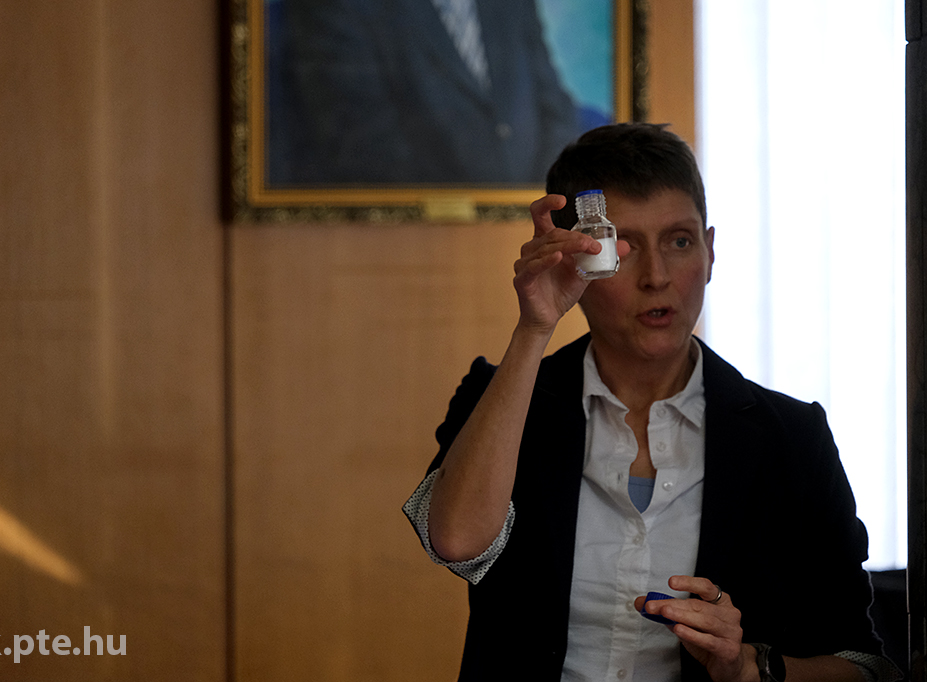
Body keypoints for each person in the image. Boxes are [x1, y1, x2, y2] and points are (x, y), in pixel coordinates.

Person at [403, 123, 900, 681]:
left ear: (710, 252)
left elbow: (869, 666)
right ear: (574, 261)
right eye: (622, 248)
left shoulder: (791, 436)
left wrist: (751, 668)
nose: (657, 277)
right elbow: (457, 543)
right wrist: (535, 326)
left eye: (680, 241)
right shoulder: (502, 398)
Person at [276, 0, 583, 184]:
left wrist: (544, 204)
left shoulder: (511, 4)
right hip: (405, 239)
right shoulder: (340, 6)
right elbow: (364, 143)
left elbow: (555, 111)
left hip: (522, 231)